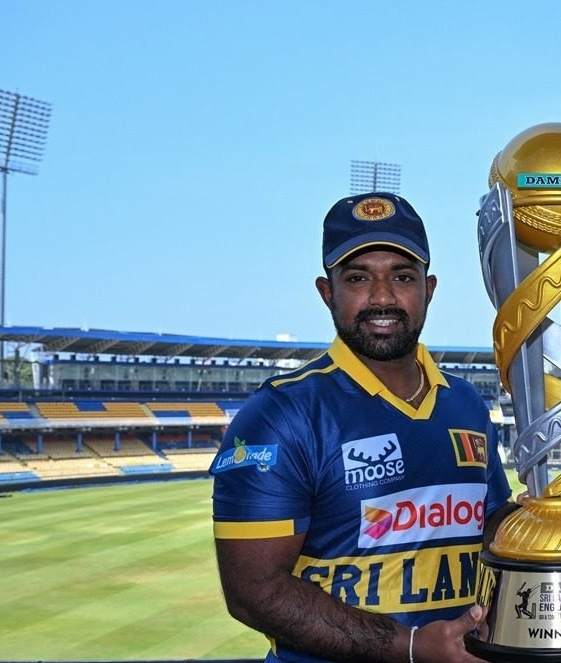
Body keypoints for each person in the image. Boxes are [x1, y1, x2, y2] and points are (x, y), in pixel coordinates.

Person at [210, 192, 516, 663]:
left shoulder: (465, 403)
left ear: (429, 289)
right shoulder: (281, 414)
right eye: (358, 278)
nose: (382, 297)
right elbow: (254, 591)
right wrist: (410, 647)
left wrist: (547, 518)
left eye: (402, 276)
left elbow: (489, 523)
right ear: (326, 292)